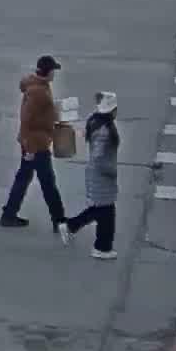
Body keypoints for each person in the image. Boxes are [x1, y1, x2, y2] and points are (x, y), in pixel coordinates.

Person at [0, 55, 69, 234]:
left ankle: (9, 214)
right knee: (48, 183)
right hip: (36, 145)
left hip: (33, 142)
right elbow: (26, 120)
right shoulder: (39, 92)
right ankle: (60, 221)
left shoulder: (37, 86)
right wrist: (29, 148)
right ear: (48, 72)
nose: (55, 74)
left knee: (23, 178)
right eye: (54, 70)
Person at [64, 92, 122, 260]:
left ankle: (71, 225)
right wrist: (111, 171)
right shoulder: (105, 131)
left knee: (100, 209)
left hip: (98, 176)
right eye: (115, 109)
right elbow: (99, 157)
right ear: (111, 111)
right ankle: (101, 248)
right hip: (101, 177)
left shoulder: (96, 122)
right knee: (107, 213)